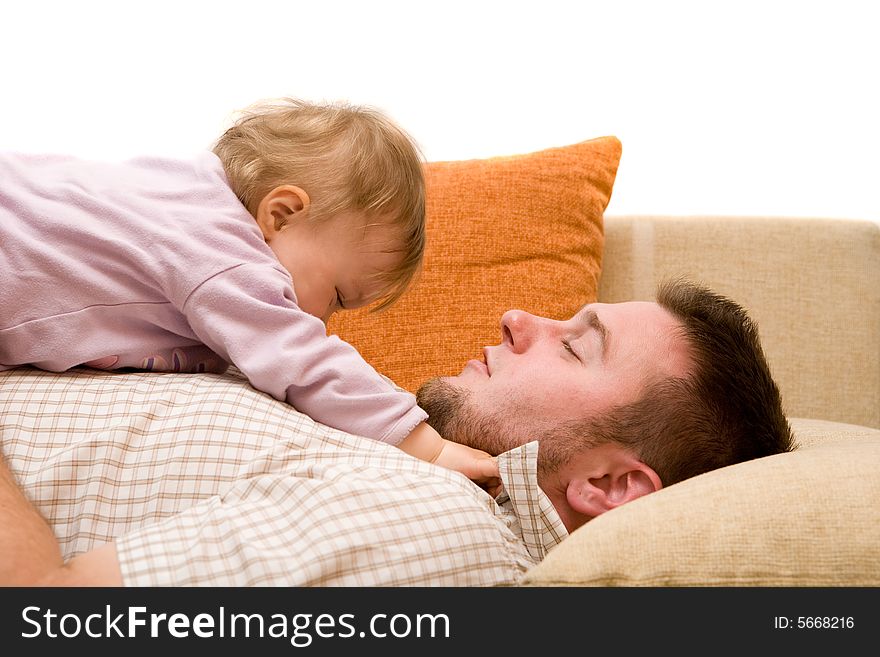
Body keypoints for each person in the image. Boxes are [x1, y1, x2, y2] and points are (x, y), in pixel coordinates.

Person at [0, 279, 794, 586]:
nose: (519, 316)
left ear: (611, 485)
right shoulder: (413, 462)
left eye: (577, 343)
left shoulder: (437, 526)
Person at [0, 98, 494, 483]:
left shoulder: (183, 204)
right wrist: (429, 446)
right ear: (280, 214)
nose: (321, 323)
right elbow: (300, 358)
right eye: (339, 295)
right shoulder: (222, 248)